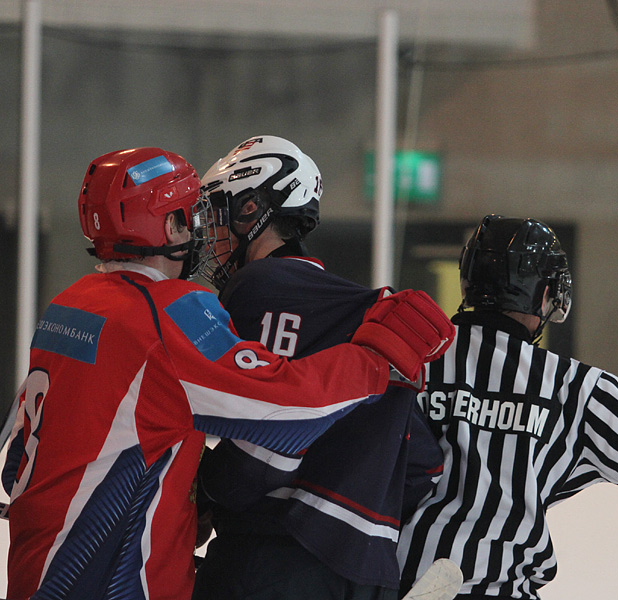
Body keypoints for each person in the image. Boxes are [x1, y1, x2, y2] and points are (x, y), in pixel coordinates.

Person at [1, 147, 454, 600]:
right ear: (170, 226)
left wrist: (176, 501)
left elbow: (18, 462)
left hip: (35, 573)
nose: (200, 229)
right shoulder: (166, 314)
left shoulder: (69, 306)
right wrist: (378, 354)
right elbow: (291, 407)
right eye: (188, 215)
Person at [398, 214, 618, 600]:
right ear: (544, 295)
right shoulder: (567, 385)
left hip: (383, 583)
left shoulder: (408, 362)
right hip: (494, 587)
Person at [189, 135, 444, 600]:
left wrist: (202, 493)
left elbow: (258, 450)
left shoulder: (256, 286)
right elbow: (424, 466)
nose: (211, 235)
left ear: (252, 209)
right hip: (370, 573)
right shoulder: (367, 314)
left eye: (219, 214)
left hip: (273, 560)